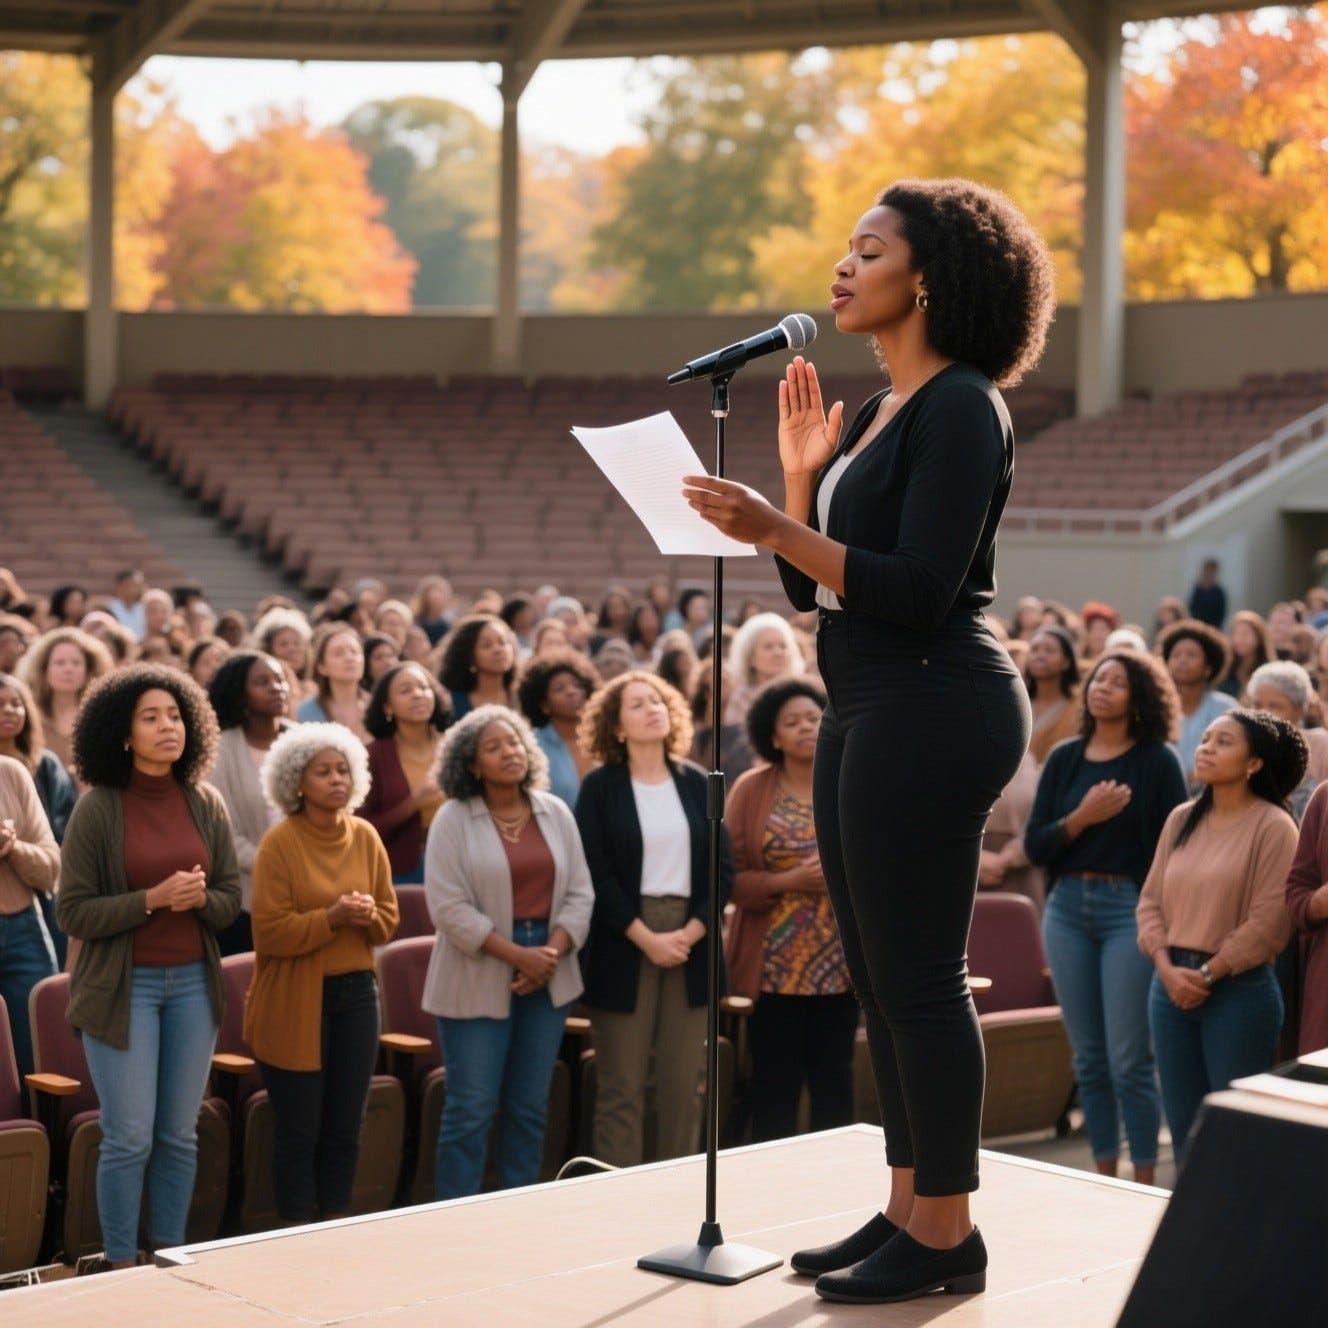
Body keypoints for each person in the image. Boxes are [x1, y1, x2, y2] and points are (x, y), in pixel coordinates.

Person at [684, 178, 1054, 1302]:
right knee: (884, 983)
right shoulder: (886, 412)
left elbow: (917, 586)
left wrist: (776, 518)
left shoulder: (959, 403)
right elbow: (815, 593)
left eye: (866, 250)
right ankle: (908, 1203)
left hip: (934, 698)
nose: (840, 269)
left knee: (922, 979)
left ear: (927, 275)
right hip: (865, 699)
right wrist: (799, 482)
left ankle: (945, 1227)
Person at [56, 665, 241, 1269]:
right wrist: (151, 901)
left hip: (193, 985)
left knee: (178, 1134)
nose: (169, 727)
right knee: (129, 1134)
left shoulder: (204, 802)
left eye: (176, 716)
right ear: (124, 734)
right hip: (123, 991)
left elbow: (232, 900)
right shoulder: (98, 809)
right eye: (151, 717)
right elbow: (73, 912)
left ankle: (166, 1255)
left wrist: (200, 901)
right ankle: (117, 1263)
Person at [1025, 650, 1188, 1187]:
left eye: (1118, 682)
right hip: (1067, 909)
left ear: (1139, 697)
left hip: (1128, 911)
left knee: (1129, 1060)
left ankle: (1142, 1179)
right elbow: (1036, 845)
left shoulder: (1156, 761)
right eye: (1099, 679)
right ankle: (1103, 1177)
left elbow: (1174, 850)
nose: (1103, 688)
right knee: (1089, 1059)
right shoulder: (1066, 757)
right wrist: (1080, 818)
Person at [422, 706, 594, 1198]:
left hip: (550, 965)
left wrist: (551, 953)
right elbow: (448, 907)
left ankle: (521, 1211)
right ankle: (454, 1216)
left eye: (515, 742)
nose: (509, 752)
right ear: (472, 764)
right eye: (494, 747)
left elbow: (581, 891)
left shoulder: (554, 811)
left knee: (529, 1106)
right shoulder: (453, 818)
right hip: (478, 967)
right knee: (470, 1110)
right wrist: (520, 957)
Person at [574, 671, 730, 1168]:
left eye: (658, 700)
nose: (652, 708)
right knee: (622, 1084)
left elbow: (723, 871)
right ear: (616, 727)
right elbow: (594, 873)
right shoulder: (600, 787)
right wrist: (646, 938)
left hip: (692, 938)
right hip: (625, 938)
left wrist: (690, 931)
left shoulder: (697, 781)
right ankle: (617, 1196)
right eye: (637, 704)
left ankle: (678, 1194)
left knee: (687, 1084)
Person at [244, 723, 399, 1225]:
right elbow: (269, 933)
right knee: (299, 1130)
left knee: (345, 1127)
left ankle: (335, 1224)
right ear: (296, 781)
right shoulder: (279, 843)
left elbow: (389, 920)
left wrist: (365, 914)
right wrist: (331, 918)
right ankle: (293, 1231)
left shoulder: (366, 835)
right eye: (322, 771)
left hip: (357, 994)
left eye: (342, 770)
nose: (336, 779)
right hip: (296, 999)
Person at [1136, 709, 1302, 1165]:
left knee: (1233, 1138)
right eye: (1205, 738)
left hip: (1238, 994)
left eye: (1223, 741)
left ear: (1254, 764)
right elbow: (1150, 904)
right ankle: (1190, 1235)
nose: (1206, 747)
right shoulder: (1181, 819)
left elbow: (1270, 922)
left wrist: (1208, 973)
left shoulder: (1274, 826)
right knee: (1186, 1137)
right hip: (1169, 990)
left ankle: (1238, 1234)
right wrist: (1169, 971)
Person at [725, 678, 856, 1142]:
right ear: (772, 735)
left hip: (842, 968)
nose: (806, 726)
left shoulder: (851, 777)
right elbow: (728, 877)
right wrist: (788, 881)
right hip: (772, 970)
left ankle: (835, 1192)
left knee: (835, 1084)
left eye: (814, 717)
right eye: (792, 721)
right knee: (773, 1089)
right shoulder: (750, 789)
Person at [206, 653, 293, 955]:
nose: (276, 688)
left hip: (309, 896)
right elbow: (223, 833)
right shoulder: (220, 749)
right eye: (262, 682)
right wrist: (278, 869)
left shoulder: (304, 741)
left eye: (280, 679)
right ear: (241, 693)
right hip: (246, 902)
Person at [358, 662, 452, 884]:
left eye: (424, 687)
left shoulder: (454, 745)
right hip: (406, 866)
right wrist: (414, 803)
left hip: (460, 858)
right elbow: (361, 828)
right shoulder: (374, 755)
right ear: (388, 707)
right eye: (405, 690)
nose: (418, 695)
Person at [0, 752, 60, 1080]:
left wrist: (12, 847)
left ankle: (37, 1132)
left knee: (39, 1063)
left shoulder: (11, 772)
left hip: (25, 929)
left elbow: (52, 868)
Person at [20, 627, 113, 782]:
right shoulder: (28, 717)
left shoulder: (102, 718)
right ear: (44, 670)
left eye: (76, 663)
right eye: (60, 663)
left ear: (88, 670)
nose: (68, 669)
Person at [515, 652, 601, 807]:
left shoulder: (602, 740)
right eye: (559, 689)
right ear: (543, 704)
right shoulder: (533, 746)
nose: (571, 692)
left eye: (577, 685)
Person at [1158, 619, 1236, 788]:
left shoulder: (1227, 709)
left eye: (1191, 655)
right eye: (1176, 655)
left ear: (1208, 668)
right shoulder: (1153, 708)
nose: (1182, 660)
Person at [1246, 660, 1328, 821]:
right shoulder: (1246, 745)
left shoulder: (1321, 744)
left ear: (1299, 710)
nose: (1264, 714)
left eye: (1275, 706)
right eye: (1257, 705)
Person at [723, 611, 806, 728]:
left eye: (783, 646)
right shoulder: (740, 699)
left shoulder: (801, 693)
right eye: (768, 646)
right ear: (750, 657)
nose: (778, 652)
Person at [296, 623, 370, 742]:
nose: (349, 658)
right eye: (339, 653)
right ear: (322, 666)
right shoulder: (306, 711)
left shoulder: (377, 707)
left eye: (355, 652)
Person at [438, 614, 519, 720]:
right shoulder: (451, 704)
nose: (498, 649)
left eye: (503, 642)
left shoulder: (524, 696)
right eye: (486, 645)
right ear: (469, 655)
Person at [1023, 625, 1082, 765]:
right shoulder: (1016, 702)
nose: (1040, 656)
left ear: (1066, 662)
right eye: (1034, 649)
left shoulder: (1079, 708)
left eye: (1049, 651)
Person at [1220, 610, 1275, 700]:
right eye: (1235, 633)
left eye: (1245, 634)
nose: (1238, 639)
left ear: (1259, 638)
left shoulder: (1269, 671)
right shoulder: (1224, 668)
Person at [1187, 558, 1227, 629]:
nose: (1209, 573)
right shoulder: (1197, 590)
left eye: (1212, 571)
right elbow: (1192, 609)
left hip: (1213, 628)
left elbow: (1221, 613)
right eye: (1208, 570)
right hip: (1197, 627)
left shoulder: (1219, 592)